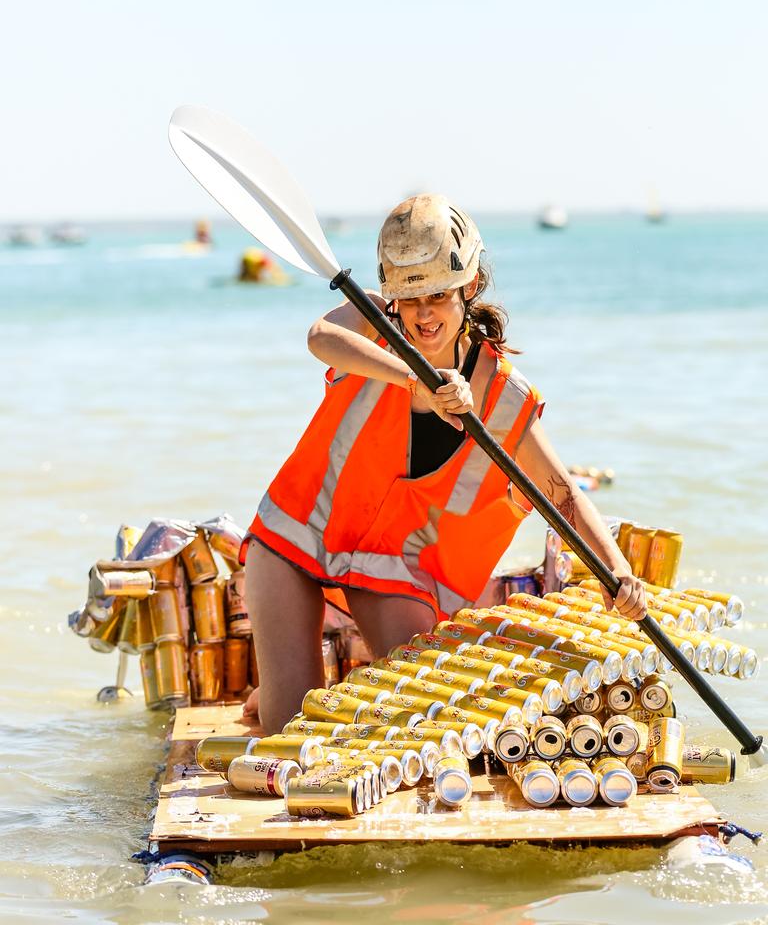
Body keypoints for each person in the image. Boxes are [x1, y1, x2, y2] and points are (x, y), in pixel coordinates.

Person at [241, 194, 646, 733]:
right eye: (409, 300)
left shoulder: (504, 394)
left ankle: (296, 684)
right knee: (288, 735)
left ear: (469, 288)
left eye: (437, 296)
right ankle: (275, 693)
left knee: (419, 723)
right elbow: (320, 337)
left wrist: (617, 571)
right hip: (295, 537)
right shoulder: (370, 318)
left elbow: (564, 495)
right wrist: (416, 382)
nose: (423, 314)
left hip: (383, 567)